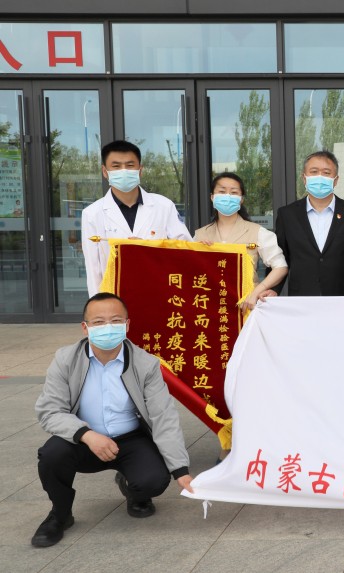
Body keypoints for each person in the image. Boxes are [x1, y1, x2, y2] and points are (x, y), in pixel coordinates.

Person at [32, 293, 193, 548]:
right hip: (84, 439)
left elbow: (164, 417)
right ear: (85, 327)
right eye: (98, 322)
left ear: (127, 325)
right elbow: (49, 410)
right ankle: (60, 515)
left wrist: (181, 470)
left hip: (131, 440)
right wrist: (86, 435)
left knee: (154, 480)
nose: (107, 327)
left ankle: (133, 490)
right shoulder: (65, 360)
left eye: (115, 320)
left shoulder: (146, 364)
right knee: (52, 456)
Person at [81, 140, 192, 296]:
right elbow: (93, 267)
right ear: (105, 171)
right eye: (116, 166)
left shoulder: (164, 206)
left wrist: (146, 249)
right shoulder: (92, 214)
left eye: (130, 165)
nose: (124, 171)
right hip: (115, 296)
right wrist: (97, 304)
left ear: (140, 170)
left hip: (158, 292)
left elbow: (185, 250)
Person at [270, 151, 344, 297]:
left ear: (335, 180)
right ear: (304, 178)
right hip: (301, 299)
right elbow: (280, 257)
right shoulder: (287, 215)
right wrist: (274, 289)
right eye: (314, 172)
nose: (319, 177)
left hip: (343, 298)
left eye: (326, 173)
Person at [194, 172, 288, 310]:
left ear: (241, 199)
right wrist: (196, 254)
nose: (227, 196)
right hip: (210, 307)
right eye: (222, 191)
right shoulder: (200, 235)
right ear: (212, 197)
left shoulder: (257, 232)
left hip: (246, 307)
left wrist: (257, 291)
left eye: (233, 192)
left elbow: (280, 267)